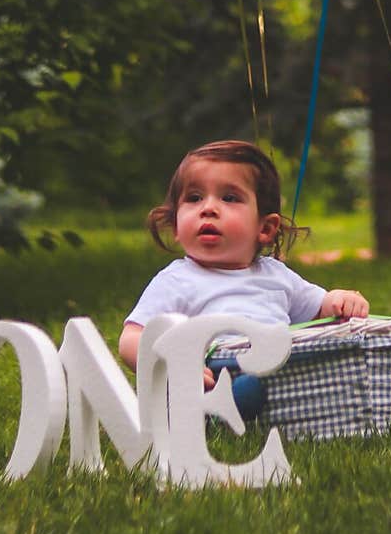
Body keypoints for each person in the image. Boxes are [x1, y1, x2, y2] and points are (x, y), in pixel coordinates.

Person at [119, 140, 369, 418]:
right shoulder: (177, 281)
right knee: (235, 391)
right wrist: (172, 364)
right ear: (176, 224)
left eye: (229, 198)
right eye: (194, 198)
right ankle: (219, 416)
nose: (208, 208)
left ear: (265, 228)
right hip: (208, 378)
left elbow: (318, 308)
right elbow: (132, 338)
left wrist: (339, 300)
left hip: (276, 376)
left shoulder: (276, 275)